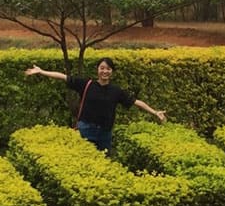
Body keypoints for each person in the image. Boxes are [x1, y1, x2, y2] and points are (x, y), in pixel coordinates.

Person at [25, 57, 166, 152]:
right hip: (86, 130)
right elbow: (63, 76)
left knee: (104, 163)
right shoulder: (86, 84)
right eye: (102, 68)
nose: (105, 71)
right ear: (97, 69)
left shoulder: (116, 91)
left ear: (112, 71)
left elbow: (136, 102)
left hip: (105, 133)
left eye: (108, 69)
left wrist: (154, 112)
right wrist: (41, 71)